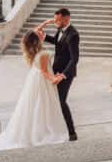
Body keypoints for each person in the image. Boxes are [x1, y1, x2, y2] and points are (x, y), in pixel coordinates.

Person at [0, 31, 67, 150]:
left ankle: (34, 130)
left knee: (33, 106)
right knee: (43, 105)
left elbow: (32, 35)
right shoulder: (43, 53)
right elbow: (45, 72)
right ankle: (41, 132)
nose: (42, 33)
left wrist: (47, 22)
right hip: (41, 82)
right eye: (39, 34)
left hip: (34, 79)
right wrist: (56, 78)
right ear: (36, 40)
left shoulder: (33, 53)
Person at [34, 8, 80, 141]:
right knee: (54, 101)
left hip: (66, 74)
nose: (55, 22)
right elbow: (58, 42)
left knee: (61, 102)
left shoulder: (73, 34)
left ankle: (72, 132)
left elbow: (74, 59)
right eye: (54, 19)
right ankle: (57, 128)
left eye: (57, 20)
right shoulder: (61, 28)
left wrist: (63, 75)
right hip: (55, 71)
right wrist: (45, 36)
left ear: (67, 19)